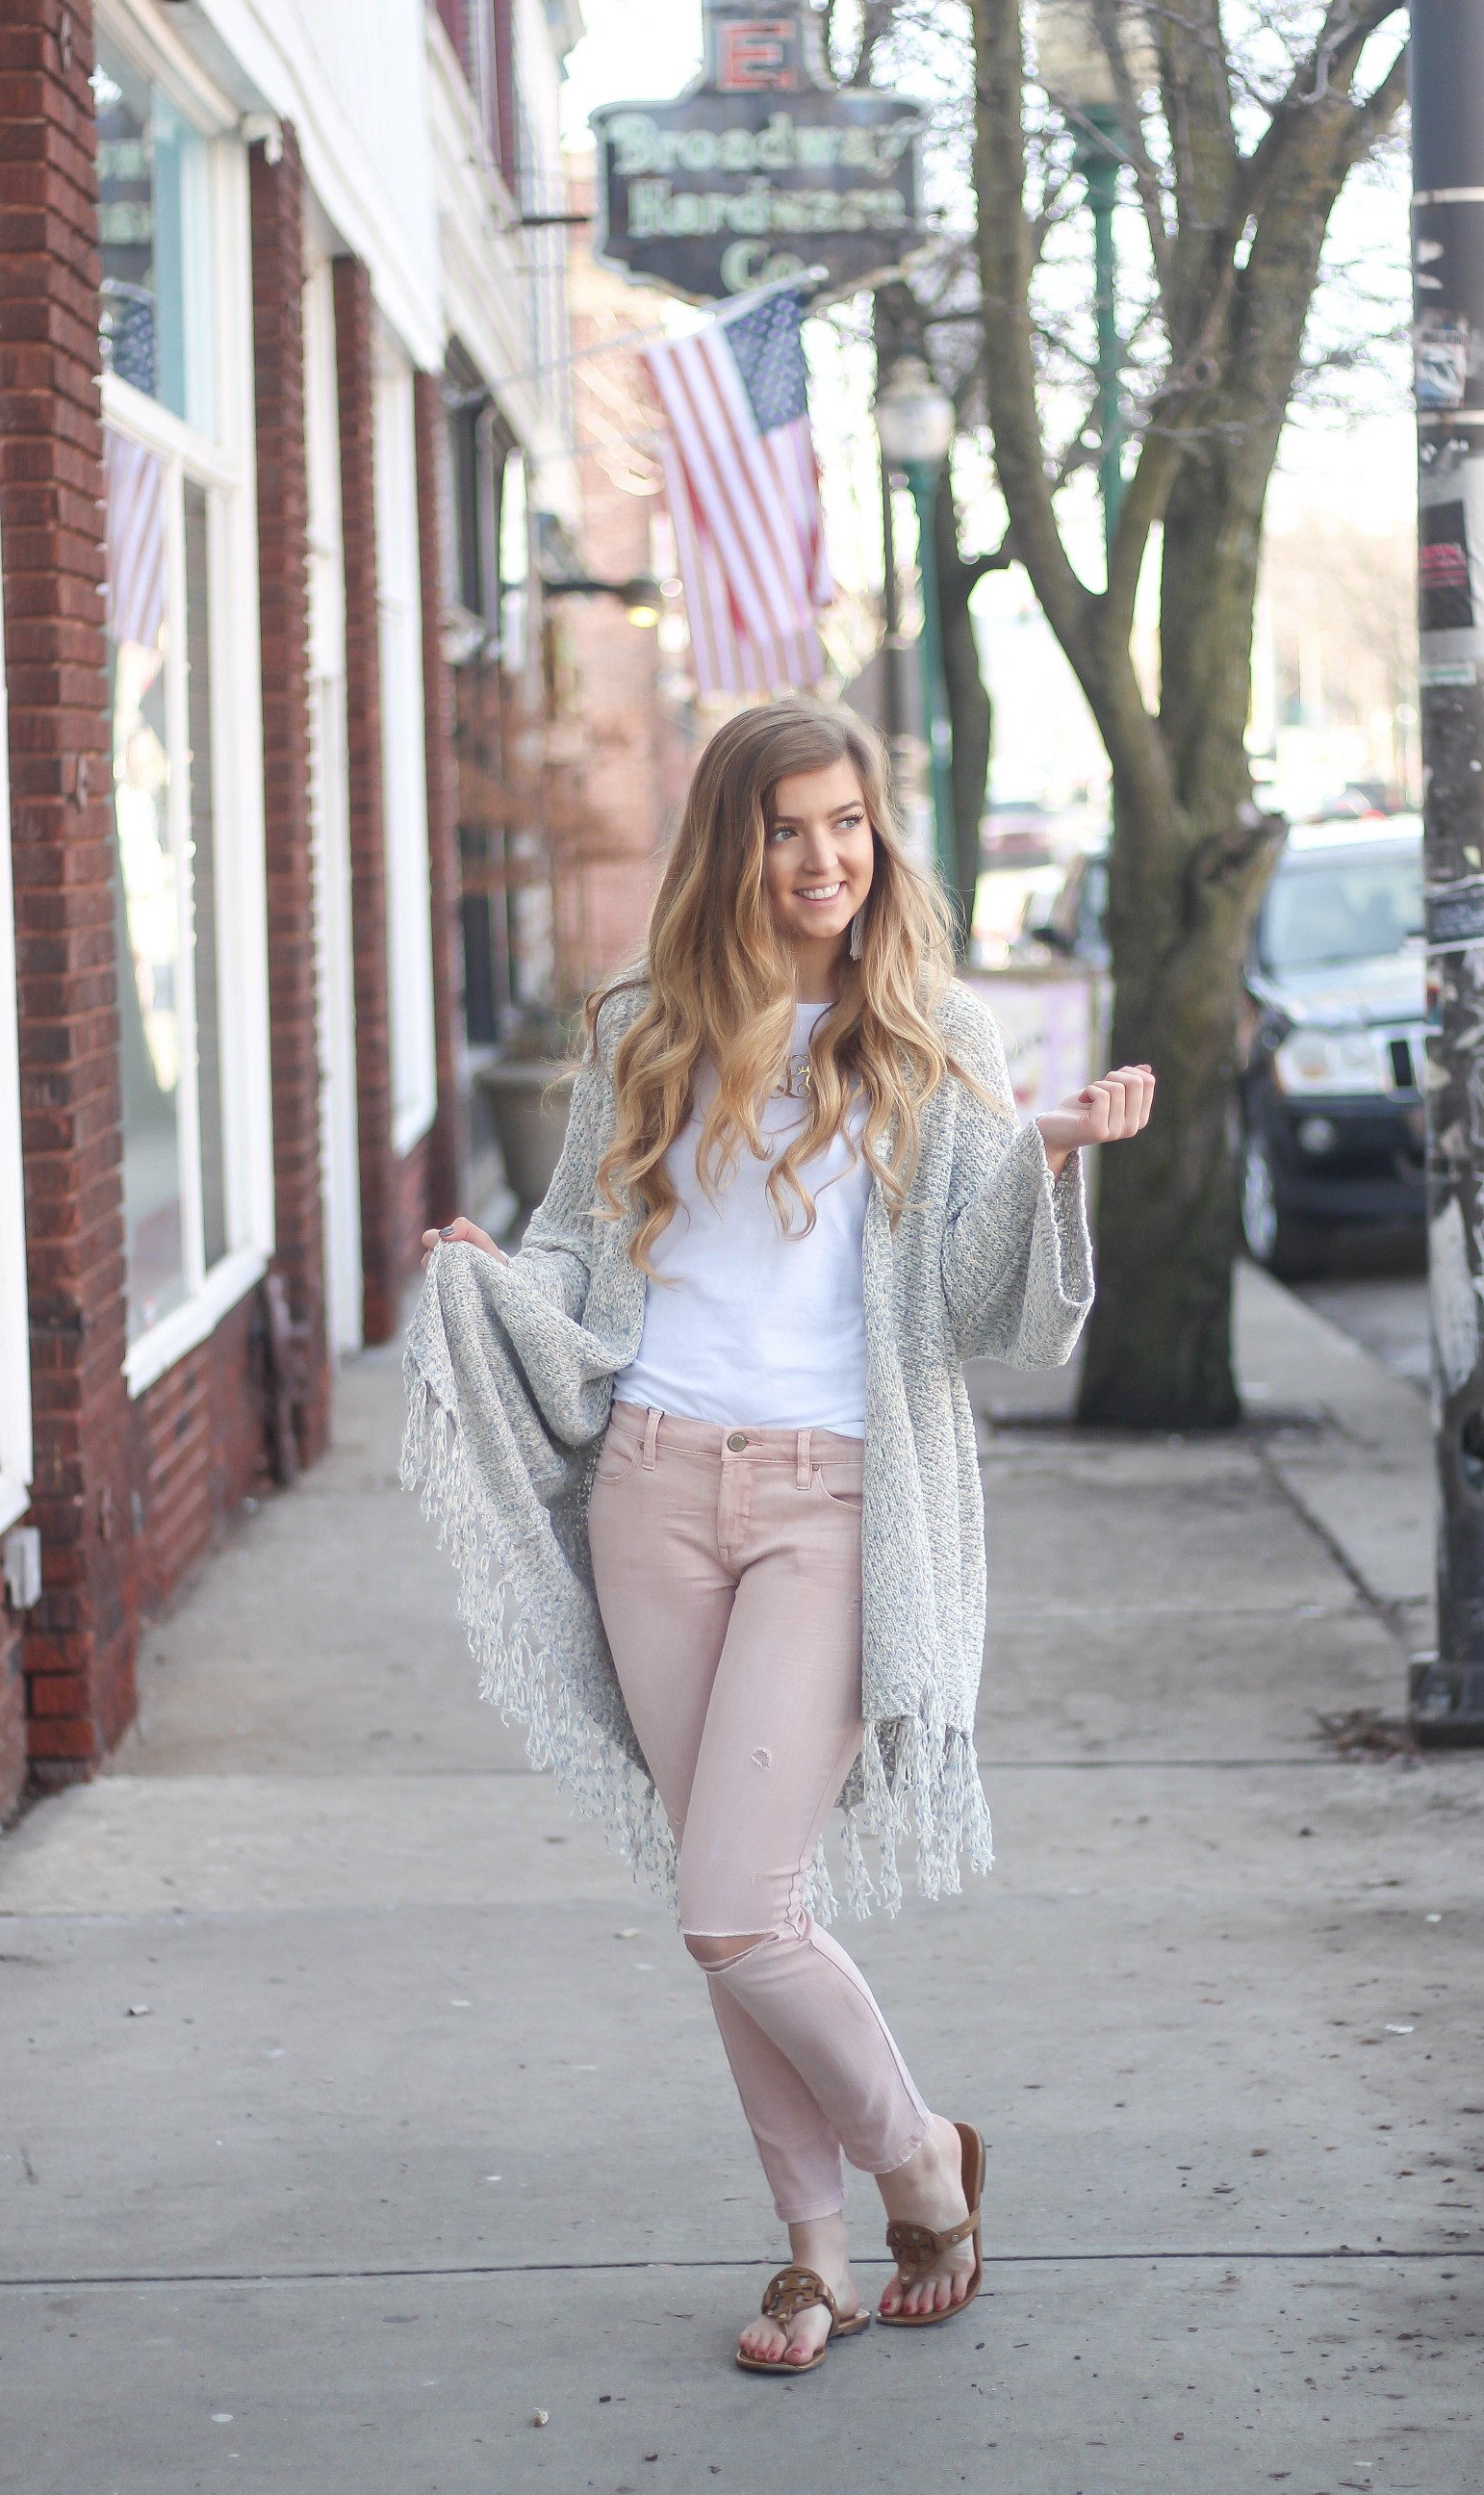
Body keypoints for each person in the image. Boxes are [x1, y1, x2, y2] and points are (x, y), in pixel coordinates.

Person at [406, 697, 1154, 2375]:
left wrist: (1050, 1156)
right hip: (653, 1491)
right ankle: (810, 2260)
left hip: (833, 1503)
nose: (825, 858)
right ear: (730, 847)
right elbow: (581, 1260)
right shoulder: (640, 1033)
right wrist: (497, 1279)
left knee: (738, 1907)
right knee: (725, 1901)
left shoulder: (925, 1033)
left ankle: (918, 2165)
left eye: (847, 824)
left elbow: (986, 1309)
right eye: (787, 827)